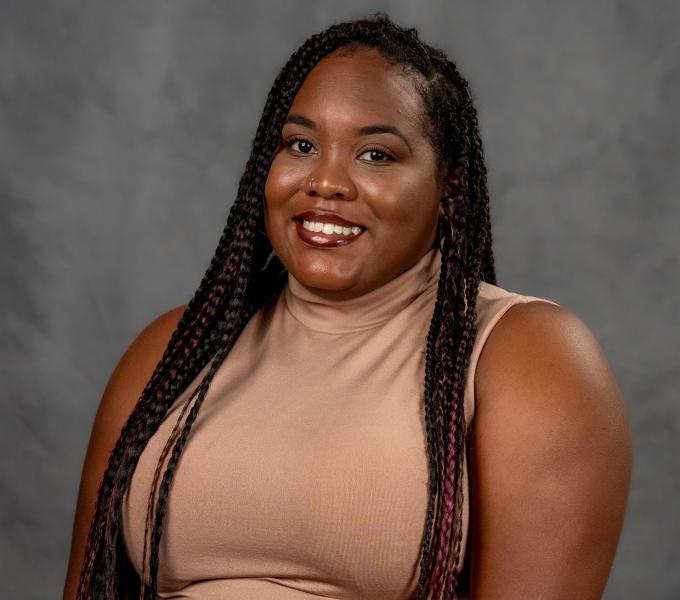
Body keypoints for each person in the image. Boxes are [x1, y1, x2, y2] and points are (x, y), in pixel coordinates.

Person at [63, 13, 632, 600]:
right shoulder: (175, 348)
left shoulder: (527, 356)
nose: (326, 182)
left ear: (449, 187)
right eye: (301, 145)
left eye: (376, 155)